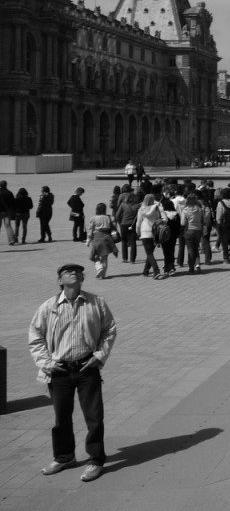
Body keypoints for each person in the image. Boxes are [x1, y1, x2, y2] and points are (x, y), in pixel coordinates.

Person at [28, 262, 117, 482]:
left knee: (94, 418)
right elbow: (35, 337)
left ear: (83, 279)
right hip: (59, 370)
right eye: (68, 272)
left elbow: (109, 330)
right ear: (60, 281)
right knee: (62, 418)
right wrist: (47, 364)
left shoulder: (96, 303)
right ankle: (64, 457)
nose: (74, 273)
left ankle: (96, 460)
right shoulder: (48, 307)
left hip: (87, 367)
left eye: (78, 271)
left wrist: (98, 357)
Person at [135, 194, 165, 278]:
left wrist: (138, 232)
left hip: (145, 232)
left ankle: (156, 271)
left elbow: (138, 223)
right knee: (150, 253)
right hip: (155, 232)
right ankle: (146, 271)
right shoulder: (157, 208)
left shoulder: (141, 209)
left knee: (149, 254)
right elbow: (164, 219)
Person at [85, 204, 117, 280]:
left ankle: (99, 267)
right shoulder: (109, 218)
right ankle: (103, 275)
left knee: (93, 256)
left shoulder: (93, 218)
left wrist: (88, 240)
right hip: (106, 238)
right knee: (105, 257)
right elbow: (114, 228)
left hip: (97, 238)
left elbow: (90, 230)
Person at [181, 194, 205, 273]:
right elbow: (202, 220)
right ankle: (197, 265)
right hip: (198, 230)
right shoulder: (199, 209)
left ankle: (191, 267)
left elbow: (183, 223)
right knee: (196, 248)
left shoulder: (185, 210)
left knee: (190, 249)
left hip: (189, 230)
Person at [215, 188, 230, 263]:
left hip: (223, 225)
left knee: (224, 242)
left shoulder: (221, 203)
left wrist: (218, 224)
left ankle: (226, 258)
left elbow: (219, 216)